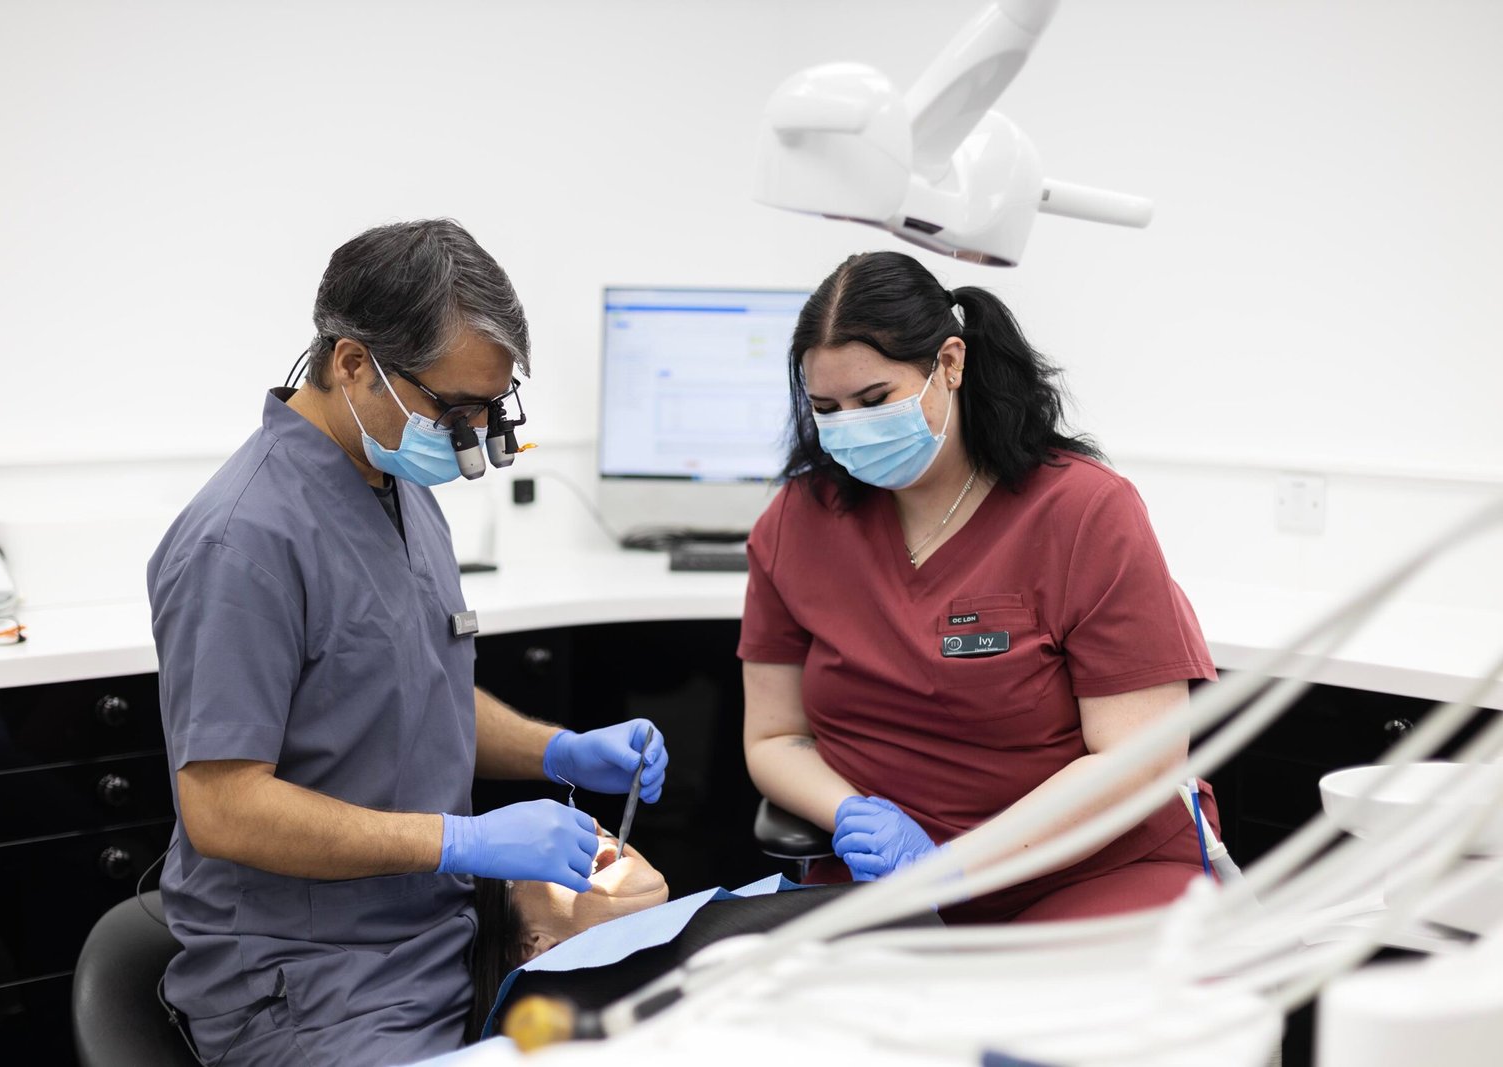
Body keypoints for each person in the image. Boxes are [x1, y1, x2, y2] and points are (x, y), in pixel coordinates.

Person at [147, 218, 669, 1066]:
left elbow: (409, 685)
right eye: (454, 407)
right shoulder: (242, 540)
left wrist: (562, 751)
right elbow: (223, 804)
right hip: (313, 986)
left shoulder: (393, 479)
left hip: (439, 938)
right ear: (354, 363)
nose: (471, 436)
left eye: (490, 408)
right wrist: (461, 840)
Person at [739, 250, 1219, 924]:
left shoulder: (1084, 512)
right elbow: (774, 737)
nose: (851, 426)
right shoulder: (798, 521)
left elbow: (1138, 759)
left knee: (1032, 1023)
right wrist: (849, 811)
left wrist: (954, 864)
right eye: (827, 407)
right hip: (880, 882)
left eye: (875, 400)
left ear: (952, 364)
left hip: (1089, 871)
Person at [464, 835, 942, 1042]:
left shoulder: (691, 939)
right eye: (535, 852)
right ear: (532, 946)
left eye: (580, 824)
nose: (587, 835)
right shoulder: (562, 1018)